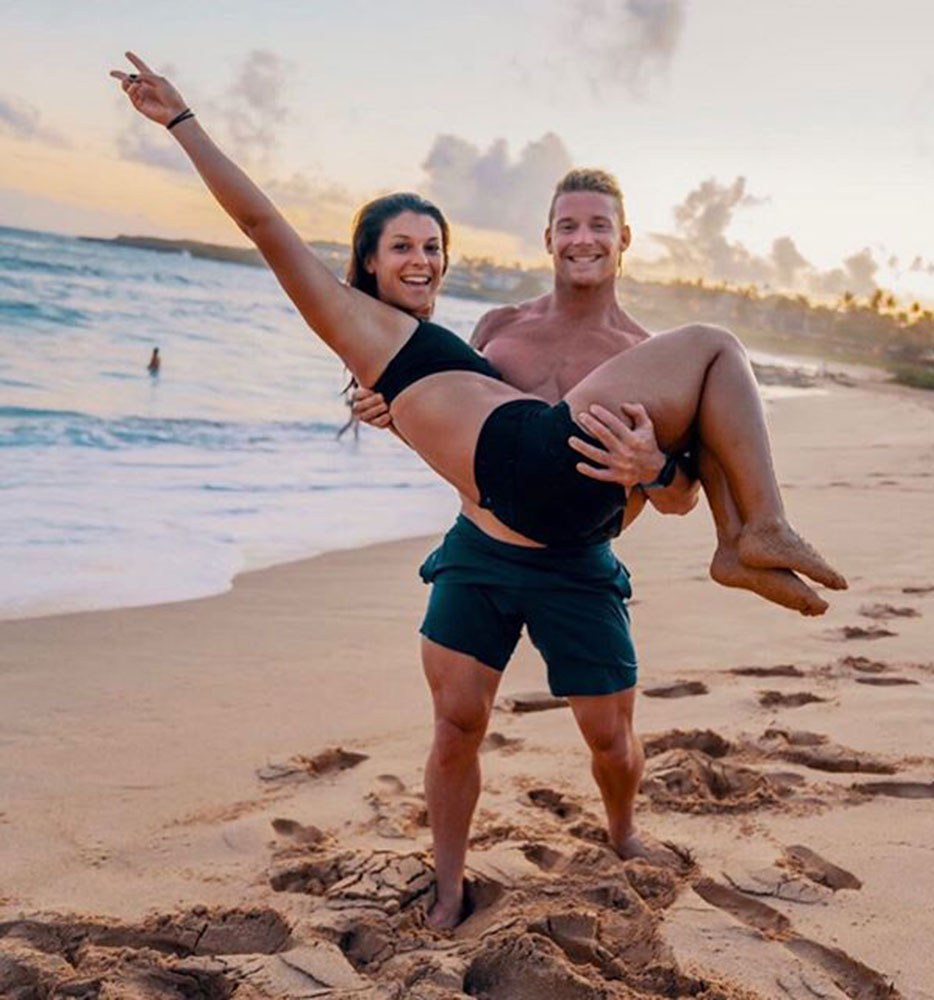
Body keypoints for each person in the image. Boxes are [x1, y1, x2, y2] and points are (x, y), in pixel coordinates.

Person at [112, 53, 847, 927]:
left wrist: (653, 468)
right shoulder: (378, 323)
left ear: (620, 239)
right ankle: (750, 535)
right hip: (498, 523)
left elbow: (661, 480)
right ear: (367, 265)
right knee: (458, 719)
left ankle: (632, 804)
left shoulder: (440, 338)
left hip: (573, 534)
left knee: (611, 739)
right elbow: (263, 221)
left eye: (432, 248)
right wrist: (184, 121)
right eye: (402, 250)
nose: (421, 262)